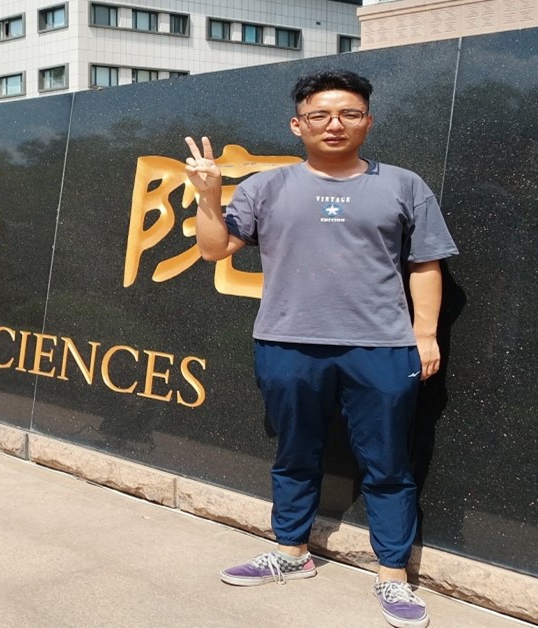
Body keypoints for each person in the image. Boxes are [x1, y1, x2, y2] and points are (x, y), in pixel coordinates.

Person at [183, 69, 458, 628]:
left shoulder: (403, 185)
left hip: (381, 345)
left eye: (348, 113)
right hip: (287, 341)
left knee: (387, 463)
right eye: (320, 115)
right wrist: (208, 198)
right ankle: (291, 551)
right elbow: (214, 250)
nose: (334, 124)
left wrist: (424, 334)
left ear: (368, 121)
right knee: (295, 452)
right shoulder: (265, 187)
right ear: (298, 124)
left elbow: (425, 263)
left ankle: (393, 574)